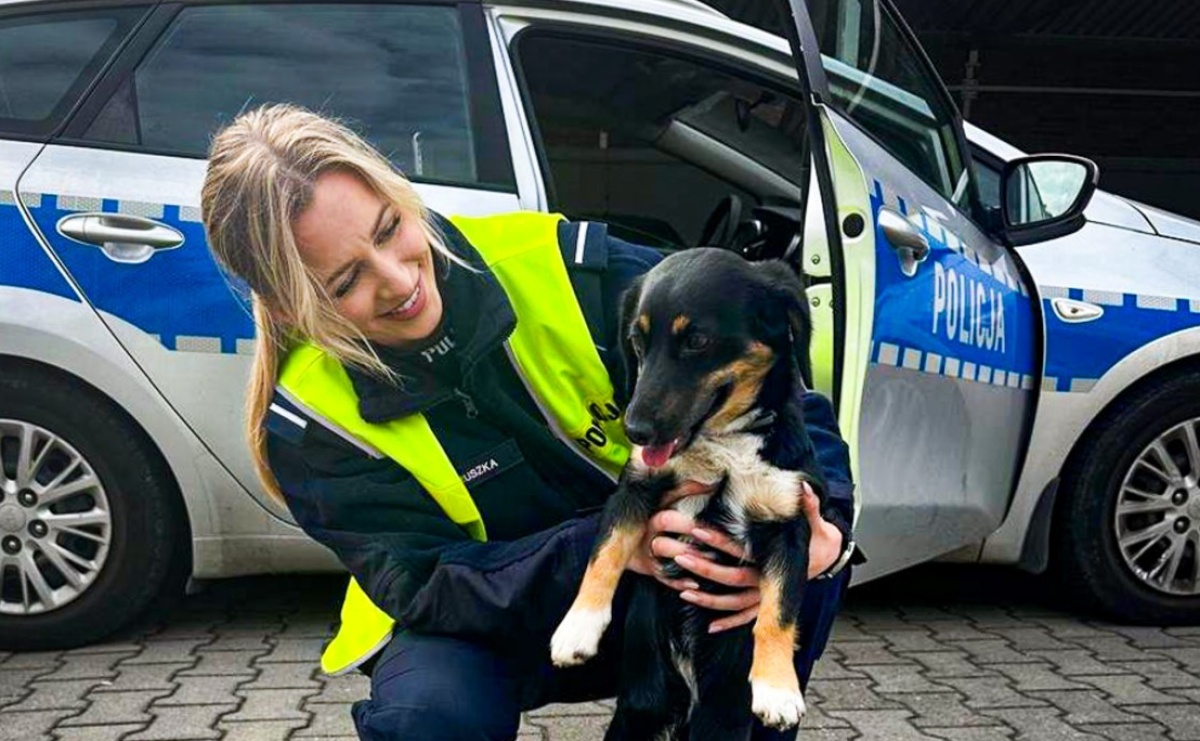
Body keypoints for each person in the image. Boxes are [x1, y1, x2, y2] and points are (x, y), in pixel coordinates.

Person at [201, 103, 858, 741]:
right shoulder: (310, 422)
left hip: (644, 593)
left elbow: (791, 408)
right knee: (428, 716)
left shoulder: (568, 267)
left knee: (797, 551)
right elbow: (422, 582)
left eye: (389, 228)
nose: (399, 279)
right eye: (346, 282)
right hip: (481, 627)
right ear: (291, 309)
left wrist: (826, 532)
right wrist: (609, 546)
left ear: (404, 195)